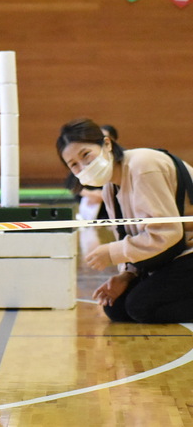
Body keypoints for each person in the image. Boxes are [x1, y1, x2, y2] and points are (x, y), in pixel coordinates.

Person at [57, 118, 193, 323]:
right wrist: (126, 275)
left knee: (140, 306)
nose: (83, 166)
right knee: (116, 307)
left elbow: (167, 233)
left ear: (107, 144)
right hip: (175, 254)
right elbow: (131, 235)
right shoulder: (110, 186)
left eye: (86, 155)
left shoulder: (143, 166)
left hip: (186, 252)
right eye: (73, 164)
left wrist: (113, 252)